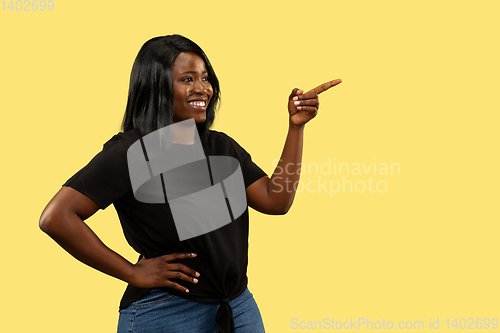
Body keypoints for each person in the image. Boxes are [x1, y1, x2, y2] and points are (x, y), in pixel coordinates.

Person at [39, 34, 340, 333]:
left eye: (205, 78)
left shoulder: (220, 147)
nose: (203, 89)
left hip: (236, 306)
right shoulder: (130, 153)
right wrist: (132, 272)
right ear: (156, 86)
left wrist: (296, 128)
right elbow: (56, 217)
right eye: (187, 79)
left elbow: (276, 201)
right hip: (167, 311)